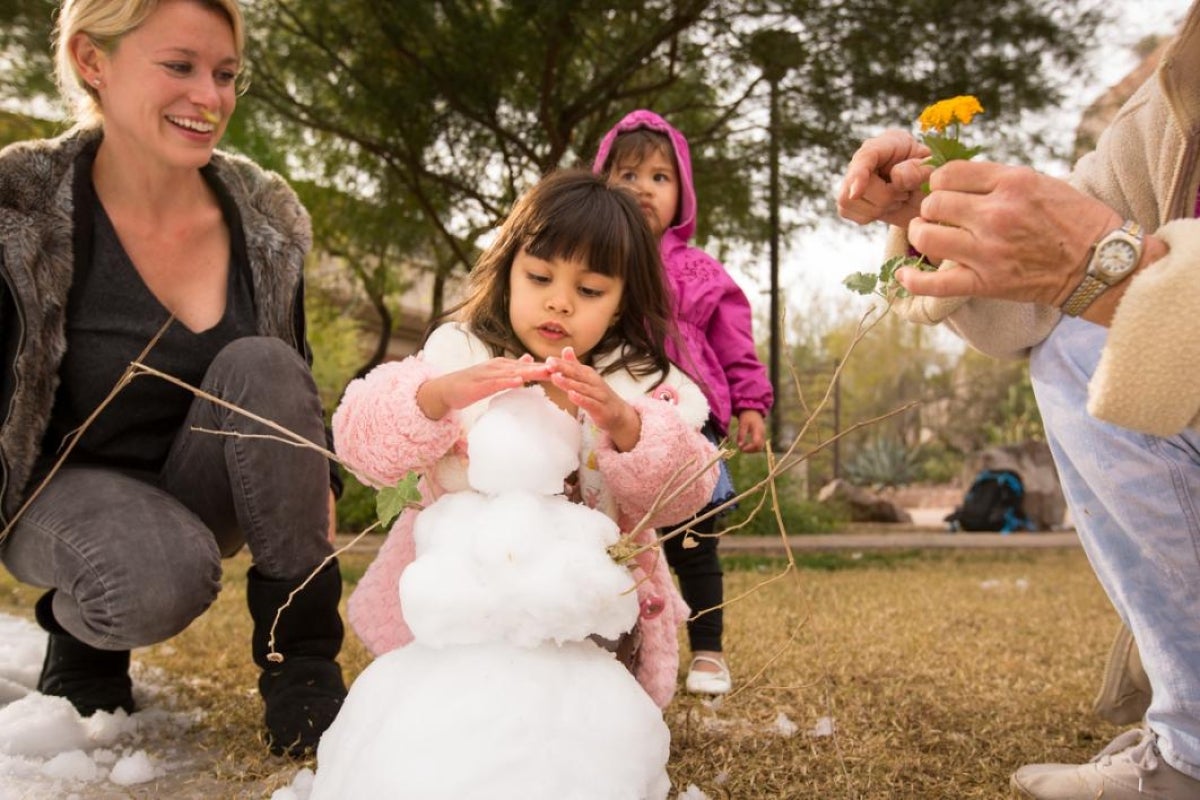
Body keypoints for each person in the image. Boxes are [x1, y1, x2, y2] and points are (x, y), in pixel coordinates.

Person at [836, 2, 1200, 796]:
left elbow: (1099, 264)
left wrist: (1118, 269)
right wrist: (940, 216)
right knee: (1084, 347)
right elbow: (1040, 311)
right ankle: (1194, 747)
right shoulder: (1180, 88)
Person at [0, 0, 347, 758]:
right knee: (154, 576)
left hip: (206, 486)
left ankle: (305, 670)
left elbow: (291, 389)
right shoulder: (16, 207)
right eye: (179, 66)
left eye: (225, 74)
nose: (211, 97)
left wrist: (322, 480)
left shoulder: (266, 220)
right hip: (59, 495)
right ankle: (83, 636)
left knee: (264, 363)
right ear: (94, 61)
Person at [333, 169, 720, 709]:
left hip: (589, 611)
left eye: (588, 290)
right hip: (469, 595)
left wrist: (626, 426)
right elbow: (360, 444)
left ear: (622, 301)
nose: (560, 303)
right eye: (540, 278)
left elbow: (688, 494)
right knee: (471, 706)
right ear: (509, 273)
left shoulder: (639, 385)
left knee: (572, 706)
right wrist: (436, 398)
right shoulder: (460, 355)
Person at [592, 110, 774, 696]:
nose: (643, 187)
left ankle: (710, 652)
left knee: (695, 537)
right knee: (610, 536)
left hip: (690, 419)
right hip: (612, 420)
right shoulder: (593, 261)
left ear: (682, 192)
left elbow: (734, 341)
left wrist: (750, 402)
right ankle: (611, 647)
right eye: (627, 175)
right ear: (603, 184)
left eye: (659, 177)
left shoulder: (698, 270)